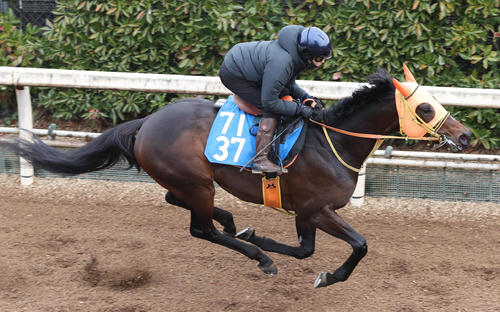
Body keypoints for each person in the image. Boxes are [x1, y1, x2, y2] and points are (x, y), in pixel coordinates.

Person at [219, 25, 332, 174]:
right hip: (234, 73)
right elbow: (270, 102)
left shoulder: (292, 54)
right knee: (270, 109)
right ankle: (260, 160)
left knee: (284, 96)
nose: (322, 62)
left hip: (248, 66)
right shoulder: (283, 62)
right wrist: (301, 109)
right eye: (319, 59)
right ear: (306, 54)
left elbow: (288, 83)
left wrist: (306, 98)